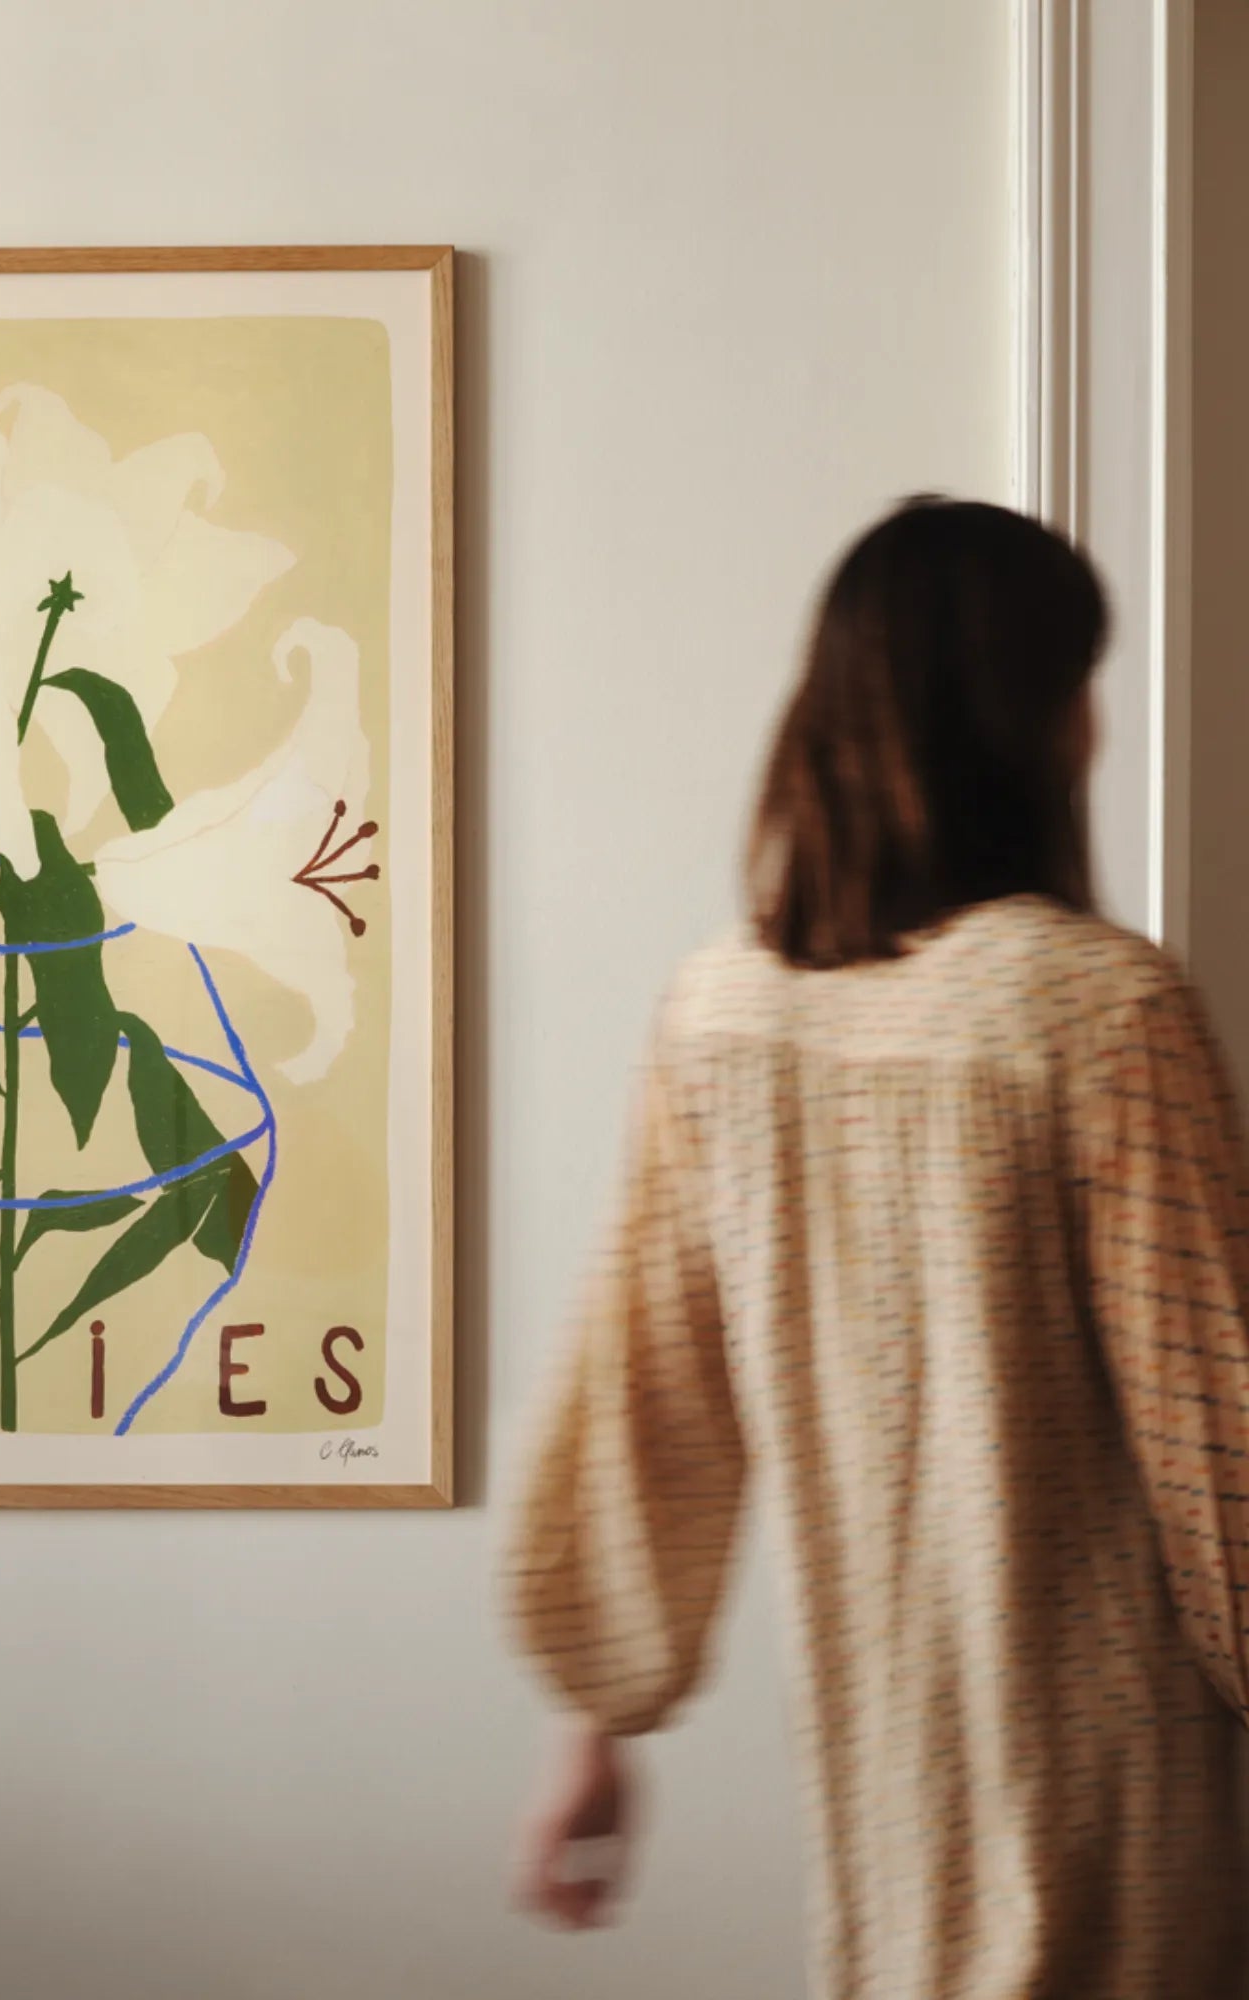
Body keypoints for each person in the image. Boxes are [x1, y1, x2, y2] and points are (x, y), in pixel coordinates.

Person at [507, 498, 1249, 1999]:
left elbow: (647, 1396)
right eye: (1077, 685)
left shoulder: (723, 1010)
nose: (1095, 728)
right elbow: (1216, 1438)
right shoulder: (1095, 1009)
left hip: (884, 1774)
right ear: (1023, 717)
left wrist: (601, 1729)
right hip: (1119, 1788)